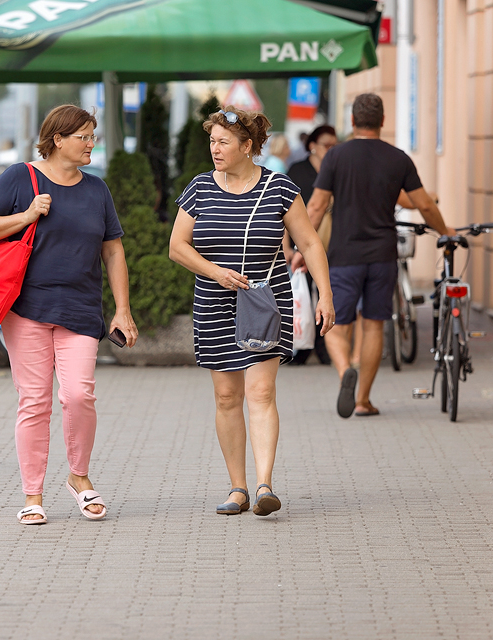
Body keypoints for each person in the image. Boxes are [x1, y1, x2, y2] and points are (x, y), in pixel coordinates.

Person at [0, 104, 138, 525]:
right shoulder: (18, 177)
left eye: (93, 136)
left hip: (80, 309)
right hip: (26, 308)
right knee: (35, 400)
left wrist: (123, 310)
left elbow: (112, 249)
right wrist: (26, 215)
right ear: (57, 139)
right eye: (83, 136)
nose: (90, 144)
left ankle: (78, 477)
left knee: (79, 395)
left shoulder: (97, 190)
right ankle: (33, 494)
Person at [169, 106, 334, 517]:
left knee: (261, 392)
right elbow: (177, 247)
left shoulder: (279, 188)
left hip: (263, 299)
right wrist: (215, 273)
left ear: (248, 146)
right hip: (214, 301)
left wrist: (325, 295)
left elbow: (310, 244)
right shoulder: (200, 188)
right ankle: (237, 488)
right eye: (212, 141)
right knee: (227, 397)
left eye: (223, 142)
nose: (215, 148)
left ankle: (264, 485)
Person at [303, 93, 451, 419]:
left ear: (353, 122)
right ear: (383, 122)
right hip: (383, 257)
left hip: (343, 255)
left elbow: (315, 207)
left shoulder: (335, 157)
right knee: (373, 327)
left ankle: (345, 374)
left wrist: (303, 249)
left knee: (337, 327)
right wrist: (445, 232)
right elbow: (424, 204)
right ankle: (363, 400)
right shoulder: (398, 159)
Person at [286, 124, 338, 366]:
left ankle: (325, 346)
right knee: (304, 293)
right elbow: (283, 211)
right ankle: (303, 348)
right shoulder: (298, 170)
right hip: (302, 243)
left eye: (334, 145)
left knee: (328, 293)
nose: (331, 149)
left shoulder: (337, 168)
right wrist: (287, 247)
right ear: (312, 146)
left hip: (333, 240)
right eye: (327, 145)